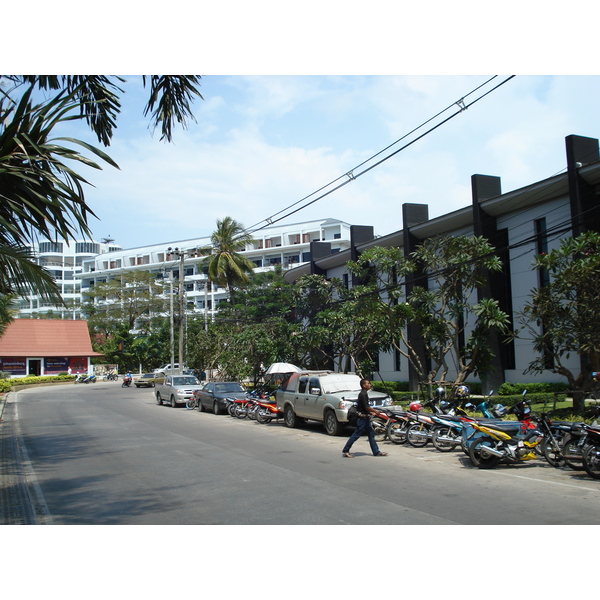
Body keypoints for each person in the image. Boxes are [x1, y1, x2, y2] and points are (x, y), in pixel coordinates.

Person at [342, 379, 388, 457]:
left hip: (366, 418)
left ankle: (376, 452)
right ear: (364, 385)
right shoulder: (362, 394)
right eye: (368, 383)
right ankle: (346, 450)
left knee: (371, 435)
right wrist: (375, 411)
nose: (370, 384)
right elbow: (366, 407)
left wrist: (370, 412)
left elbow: (363, 407)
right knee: (356, 435)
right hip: (362, 419)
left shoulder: (365, 394)